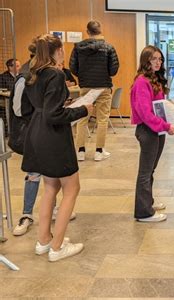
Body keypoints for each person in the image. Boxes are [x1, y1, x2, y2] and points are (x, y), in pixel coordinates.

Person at [22, 34, 93, 261]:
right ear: (58, 50)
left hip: (38, 132)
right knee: (72, 189)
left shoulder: (32, 72)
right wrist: (83, 110)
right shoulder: (54, 73)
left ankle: (44, 240)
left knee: (50, 188)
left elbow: (41, 107)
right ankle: (57, 246)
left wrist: (64, 106)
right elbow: (55, 114)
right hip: (53, 137)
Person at [10, 44, 77, 236]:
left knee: (50, 184)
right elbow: (20, 109)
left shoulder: (35, 73)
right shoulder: (31, 75)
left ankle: (45, 236)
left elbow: (47, 106)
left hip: (40, 129)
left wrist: (52, 106)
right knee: (39, 178)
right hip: (40, 132)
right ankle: (27, 215)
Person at [130, 45, 174, 222]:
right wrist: (166, 126)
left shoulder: (154, 79)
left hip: (156, 131)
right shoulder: (142, 82)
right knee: (145, 172)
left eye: (160, 59)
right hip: (148, 130)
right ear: (146, 61)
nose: (158, 62)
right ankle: (144, 212)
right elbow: (145, 113)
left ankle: (147, 202)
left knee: (150, 170)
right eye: (154, 59)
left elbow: (156, 107)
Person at [70, 20, 119, 162]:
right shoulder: (109, 47)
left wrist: (83, 76)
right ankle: (99, 151)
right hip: (103, 86)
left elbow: (73, 68)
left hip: (85, 87)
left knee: (82, 119)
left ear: (88, 31)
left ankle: (80, 151)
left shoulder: (78, 47)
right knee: (102, 119)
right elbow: (114, 69)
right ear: (100, 30)